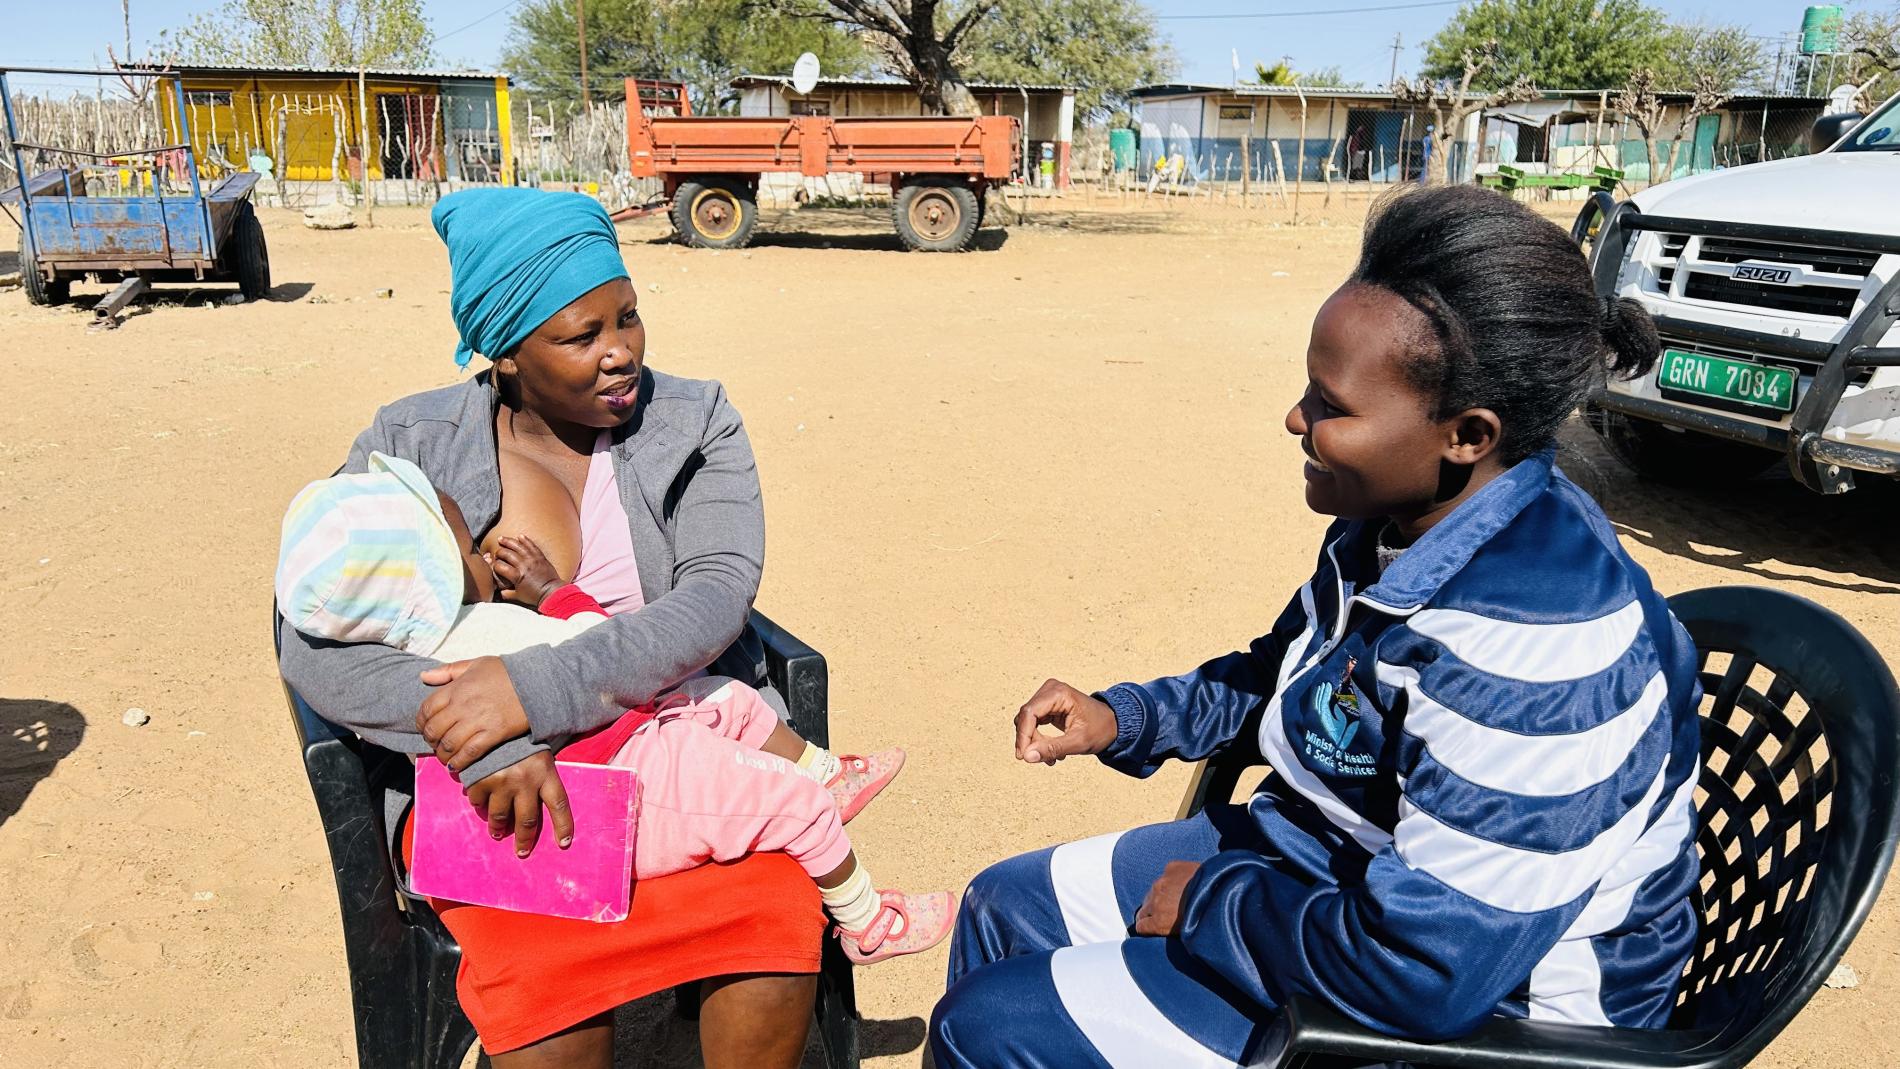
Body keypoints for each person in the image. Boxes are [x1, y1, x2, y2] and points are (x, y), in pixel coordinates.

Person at [930, 185, 1702, 1067]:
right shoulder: (1396, 527)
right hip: (1336, 862)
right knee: (1002, 906)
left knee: (985, 1029)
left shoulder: (1535, 651)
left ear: (1466, 433)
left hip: (1492, 1015)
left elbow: (1426, 966)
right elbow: (1290, 675)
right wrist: (1128, 716)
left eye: (1332, 406)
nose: (1297, 418)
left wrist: (1215, 899)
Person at [277, 187, 827, 1067]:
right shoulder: (410, 446)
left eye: (630, 318)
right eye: (581, 336)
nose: (622, 355)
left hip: (681, 764)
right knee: (548, 996)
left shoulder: (695, 422)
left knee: (772, 924)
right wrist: (477, 735)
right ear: (504, 354)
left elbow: (717, 596)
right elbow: (312, 636)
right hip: (500, 792)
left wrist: (531, 689)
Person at [275, 455, 954, 964]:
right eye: (467, 546)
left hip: (640, 738)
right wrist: (554, 594)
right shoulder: (475, 643)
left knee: (728, 697)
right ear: (431, 581)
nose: (483, 548)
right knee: (786, 800)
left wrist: (546, 600)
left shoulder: (450, 638)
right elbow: (599, 652)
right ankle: (864, 920)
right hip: (634, 789)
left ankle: (826, 772)